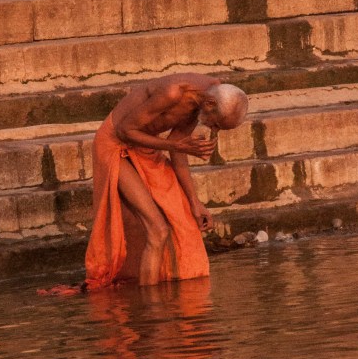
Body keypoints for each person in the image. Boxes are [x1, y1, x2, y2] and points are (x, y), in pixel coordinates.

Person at [83, 72, 249, 291]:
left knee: (183, 221)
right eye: (216, 124)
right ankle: (151, 305)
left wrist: (195, 203)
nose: (213, 130)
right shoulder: (173, 93)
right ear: (210, 103)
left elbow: (177, 150)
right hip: (114, 145)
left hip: (146, 148)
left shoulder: (205, 97)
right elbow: (125, 130)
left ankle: (157, 294)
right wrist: (176, 147)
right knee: (158, 230)